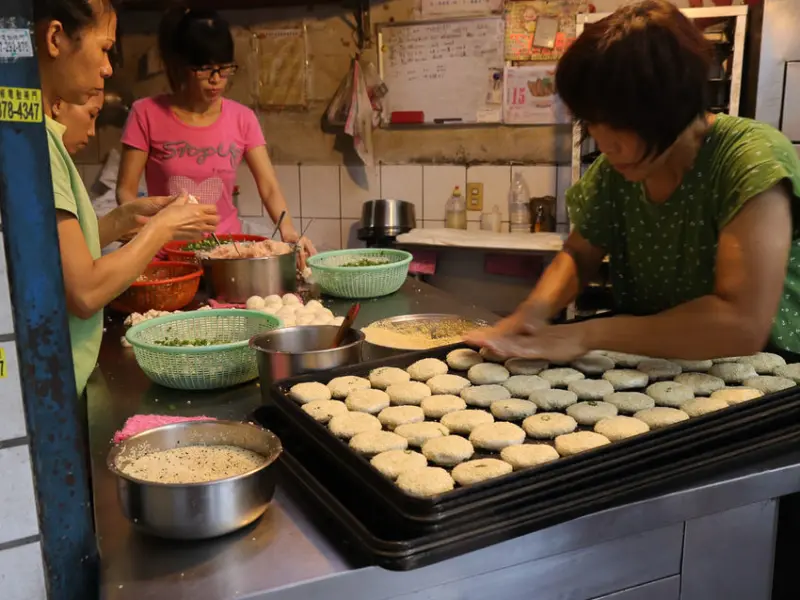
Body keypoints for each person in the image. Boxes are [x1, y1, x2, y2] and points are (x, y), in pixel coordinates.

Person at [466, 0, 800, 363]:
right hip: (658, 359)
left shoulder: (749, 159)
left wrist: (585, 334)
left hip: (764, 370)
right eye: (592, 122)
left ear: (674, 105)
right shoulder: (615, 172)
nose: (606, 144)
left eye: (621, 124)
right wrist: (530, 314)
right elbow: (579, 254)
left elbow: (740, 324)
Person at [34, 0, 220, 395]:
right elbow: (85, 292)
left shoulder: (40, 139)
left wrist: (121, 220)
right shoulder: (37, 149)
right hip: (54, 384)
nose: (108, 68)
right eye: (104, 48)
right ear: (54, 39)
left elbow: (55, 254)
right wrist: (161, 228)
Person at [116, 7, 315, 260]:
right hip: (166, 255)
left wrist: (289, 232)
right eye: (205, 69)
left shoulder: (242, 118)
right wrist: (141, 232)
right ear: (180, 66)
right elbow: (125, 189)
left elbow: (269, 186)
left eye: (224, 69)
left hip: (225, 255)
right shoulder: (145, 113)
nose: (216, 80)